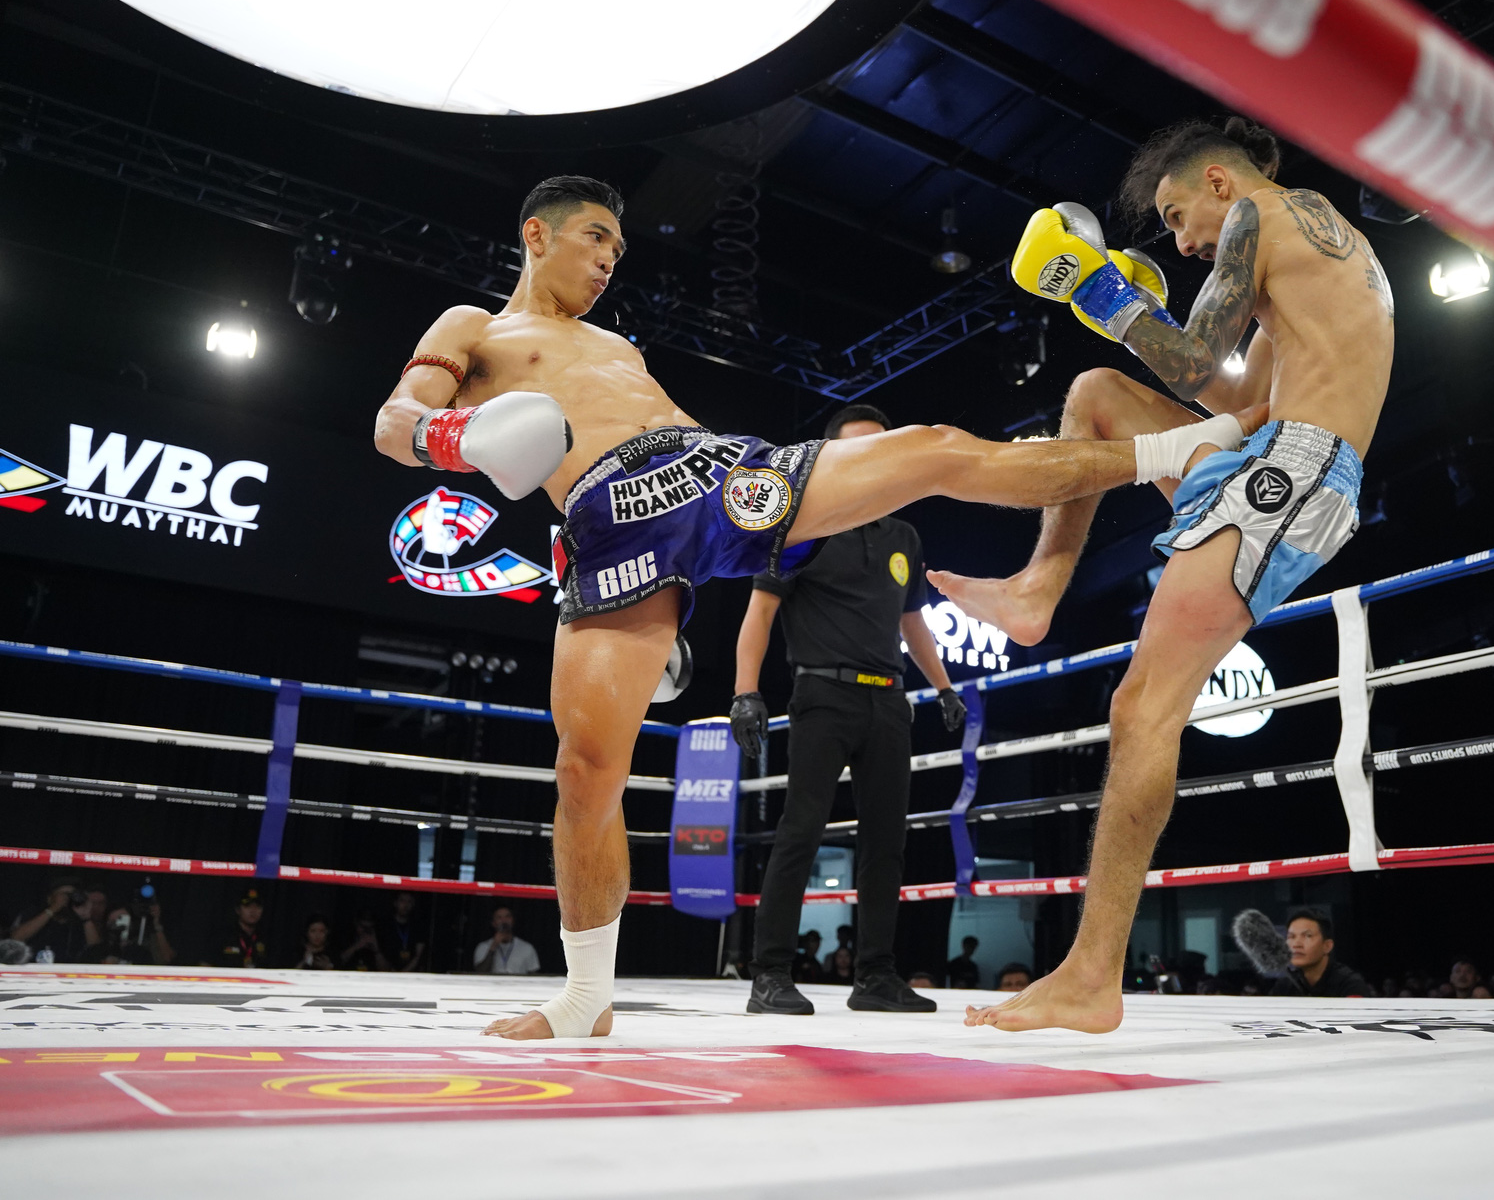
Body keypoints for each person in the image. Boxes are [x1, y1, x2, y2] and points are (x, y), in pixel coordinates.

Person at [373, 177, 1234, 1042]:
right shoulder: (474, 328)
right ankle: (585, 997)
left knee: (931, 449)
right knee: (585, 773)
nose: (607, 261)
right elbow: (394, 419)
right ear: (536, 234)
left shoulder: (616, 346)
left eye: (617, 251)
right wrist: (452, 436)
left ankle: (1173, 446)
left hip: (715, 473)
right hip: (609, 522)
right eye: (596, 238)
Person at [955, 118, 1393, 1033]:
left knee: (1142, 705)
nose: (1185, 240)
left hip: (1296, 469)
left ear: (1221, 183)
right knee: (1094, 397)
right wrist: (1124, 316)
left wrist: (1101, 289)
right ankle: (1039, 588)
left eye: (1178, 213)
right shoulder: (1317, 249)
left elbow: (1198, 361)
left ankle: (1091, 976)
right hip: (1277, 445)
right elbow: (1233, 397)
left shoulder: (1263, 219)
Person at [734, 405, 960, 1018]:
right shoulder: (803, 527)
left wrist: (943, 686)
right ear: (830, 457)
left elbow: (913, 622)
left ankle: (876, 977)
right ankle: (770, 975)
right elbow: (759, 613)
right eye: (857, 449)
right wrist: (745, 691)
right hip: (822, 697)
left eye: (880, 448)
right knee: (799, 833)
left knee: (887, 842)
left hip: (888, 699)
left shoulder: (904, 538)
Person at [1265, 908, 1373, 998]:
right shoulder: (1285, 985)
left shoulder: (1350, 985)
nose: (1296, 944)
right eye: (1291, 937)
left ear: (1327, 946)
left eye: (1307, 936)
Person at [10, 881, 95, 963]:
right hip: (34, 969)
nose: (68, 899)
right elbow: (17, 937)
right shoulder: (34, 913)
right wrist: (53, 908)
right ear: (50, 898)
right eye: (64, 894)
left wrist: (86, 917)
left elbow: (96, 950)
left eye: (72, 895)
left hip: (69, 973)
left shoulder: (78, 920)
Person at [473, 907, 542, 975]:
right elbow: (480, 972)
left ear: (513, 921)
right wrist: (493, 947)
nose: (504, 921)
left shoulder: (527, 948)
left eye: (507, 916)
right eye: (499, 917)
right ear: (493, 923)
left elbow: (533, 976)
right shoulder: (483, 947)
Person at [214, 890, 270, 968]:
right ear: (238, 910)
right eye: (247, 906)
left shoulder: (267, 937)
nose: (253, 911)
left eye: (257, 906)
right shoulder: (223, 935)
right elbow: (205, 965)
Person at [381, 891, 427, 972]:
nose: (406, 905)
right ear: (395, 903)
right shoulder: (385, 925)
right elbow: (381, 952)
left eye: (409, 901)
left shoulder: (418, 926)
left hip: (411, 974)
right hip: (388, 973)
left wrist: (401, 975)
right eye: (402, 901)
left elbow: (418, 956)